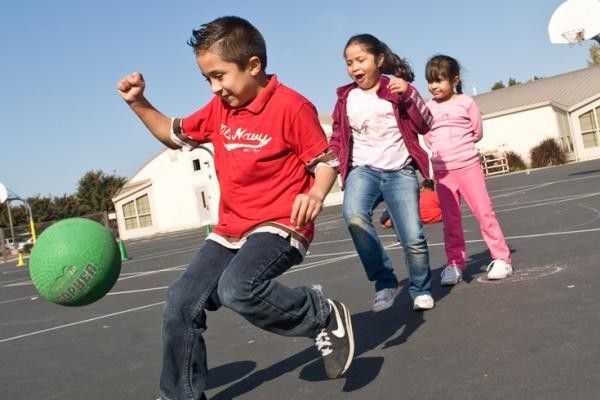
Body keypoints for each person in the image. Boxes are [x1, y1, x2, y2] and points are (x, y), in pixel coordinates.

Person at [116, 16, 354, 400]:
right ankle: (179, 396)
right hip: (230, 229)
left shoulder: (291, 107)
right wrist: (138, 103)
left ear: (253, 66)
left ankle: (321, 313)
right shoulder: (218, 110)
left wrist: (315, 193)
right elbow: (172, 133)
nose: (214, 88)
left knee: (237, 288)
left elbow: (325, 162)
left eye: (219, 75)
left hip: (279, 224)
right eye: (207, 79)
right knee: (180, 301)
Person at [329, 34, 435, 313]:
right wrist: (330, 156)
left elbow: (426, 124)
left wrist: (410, 94)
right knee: (353, 215)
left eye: (360, 60)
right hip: (363, 170)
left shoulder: (397, 89)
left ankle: (421, 288)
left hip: (399, 171)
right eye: (349, 63)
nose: (354, 67)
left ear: (379, 60)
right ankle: (384, 283)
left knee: (412, 237)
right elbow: (338, 138)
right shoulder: (346, 98)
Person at [423, 54, 513, 286]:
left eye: (439, 80)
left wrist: (458, 149)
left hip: (468, 167)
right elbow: (429, 137)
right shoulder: (428, 107)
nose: (433, 86)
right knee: (451, 221)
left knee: (484, 213)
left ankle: (501, 258)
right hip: (443, 174)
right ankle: (454, 263)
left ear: (454, 79)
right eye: (430, 81)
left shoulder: (466, 103)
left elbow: (476, 132)